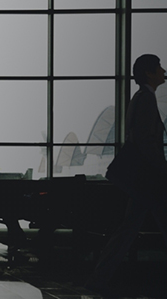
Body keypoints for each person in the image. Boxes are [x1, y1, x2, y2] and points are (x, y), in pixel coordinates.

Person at [86, 54, 167, 294]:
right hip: (150, 179)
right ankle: (98, 279)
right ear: (149, 73)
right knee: (129, 230)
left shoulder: (141, 98)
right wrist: (161, 169)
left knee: (127, 231)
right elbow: (145, 140)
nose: (164, 71)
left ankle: (98, 279)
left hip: (144, 181)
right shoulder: (146, 100)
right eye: (159, 67)